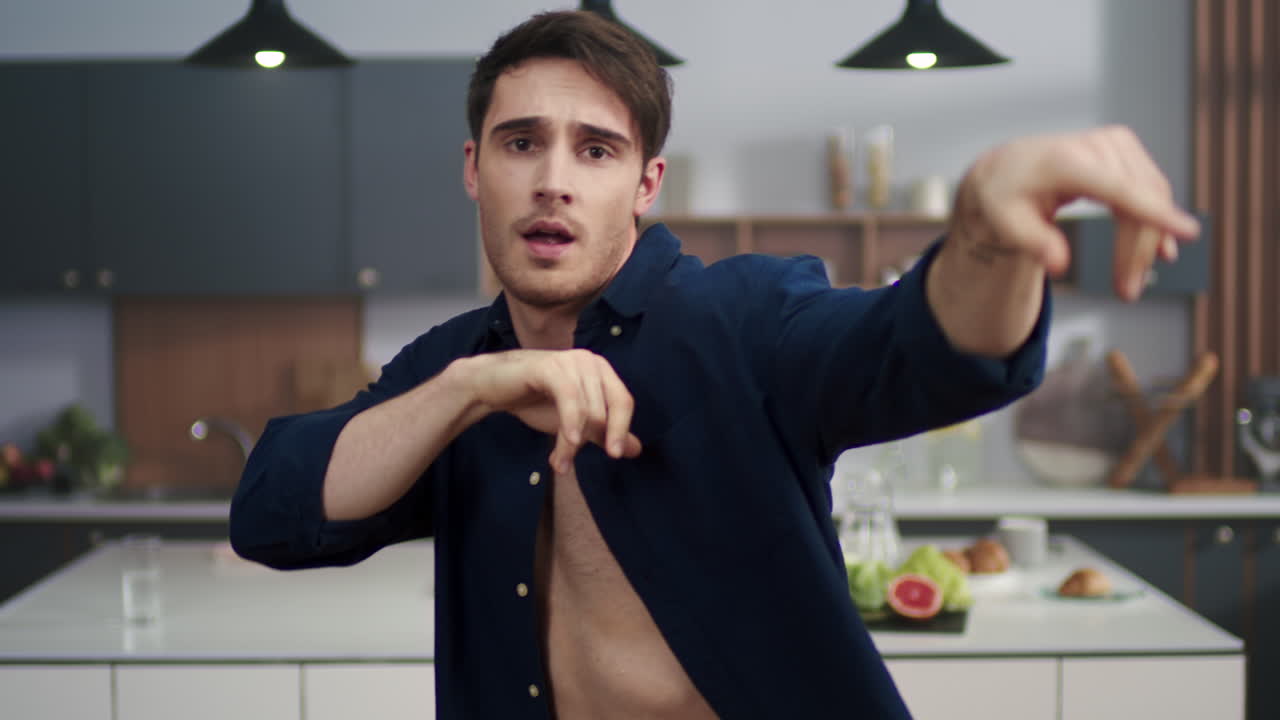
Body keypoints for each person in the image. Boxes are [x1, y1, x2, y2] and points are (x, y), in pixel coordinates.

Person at [229, 10, 1200, 720]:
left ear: (645, 184)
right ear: (474, 169)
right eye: (521, 143)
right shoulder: (453, 371)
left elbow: (915, 352)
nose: (553, 180)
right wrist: (471, 390)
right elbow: (273, 509)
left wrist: (986, 237)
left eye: (596, 150)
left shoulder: (743, 318)